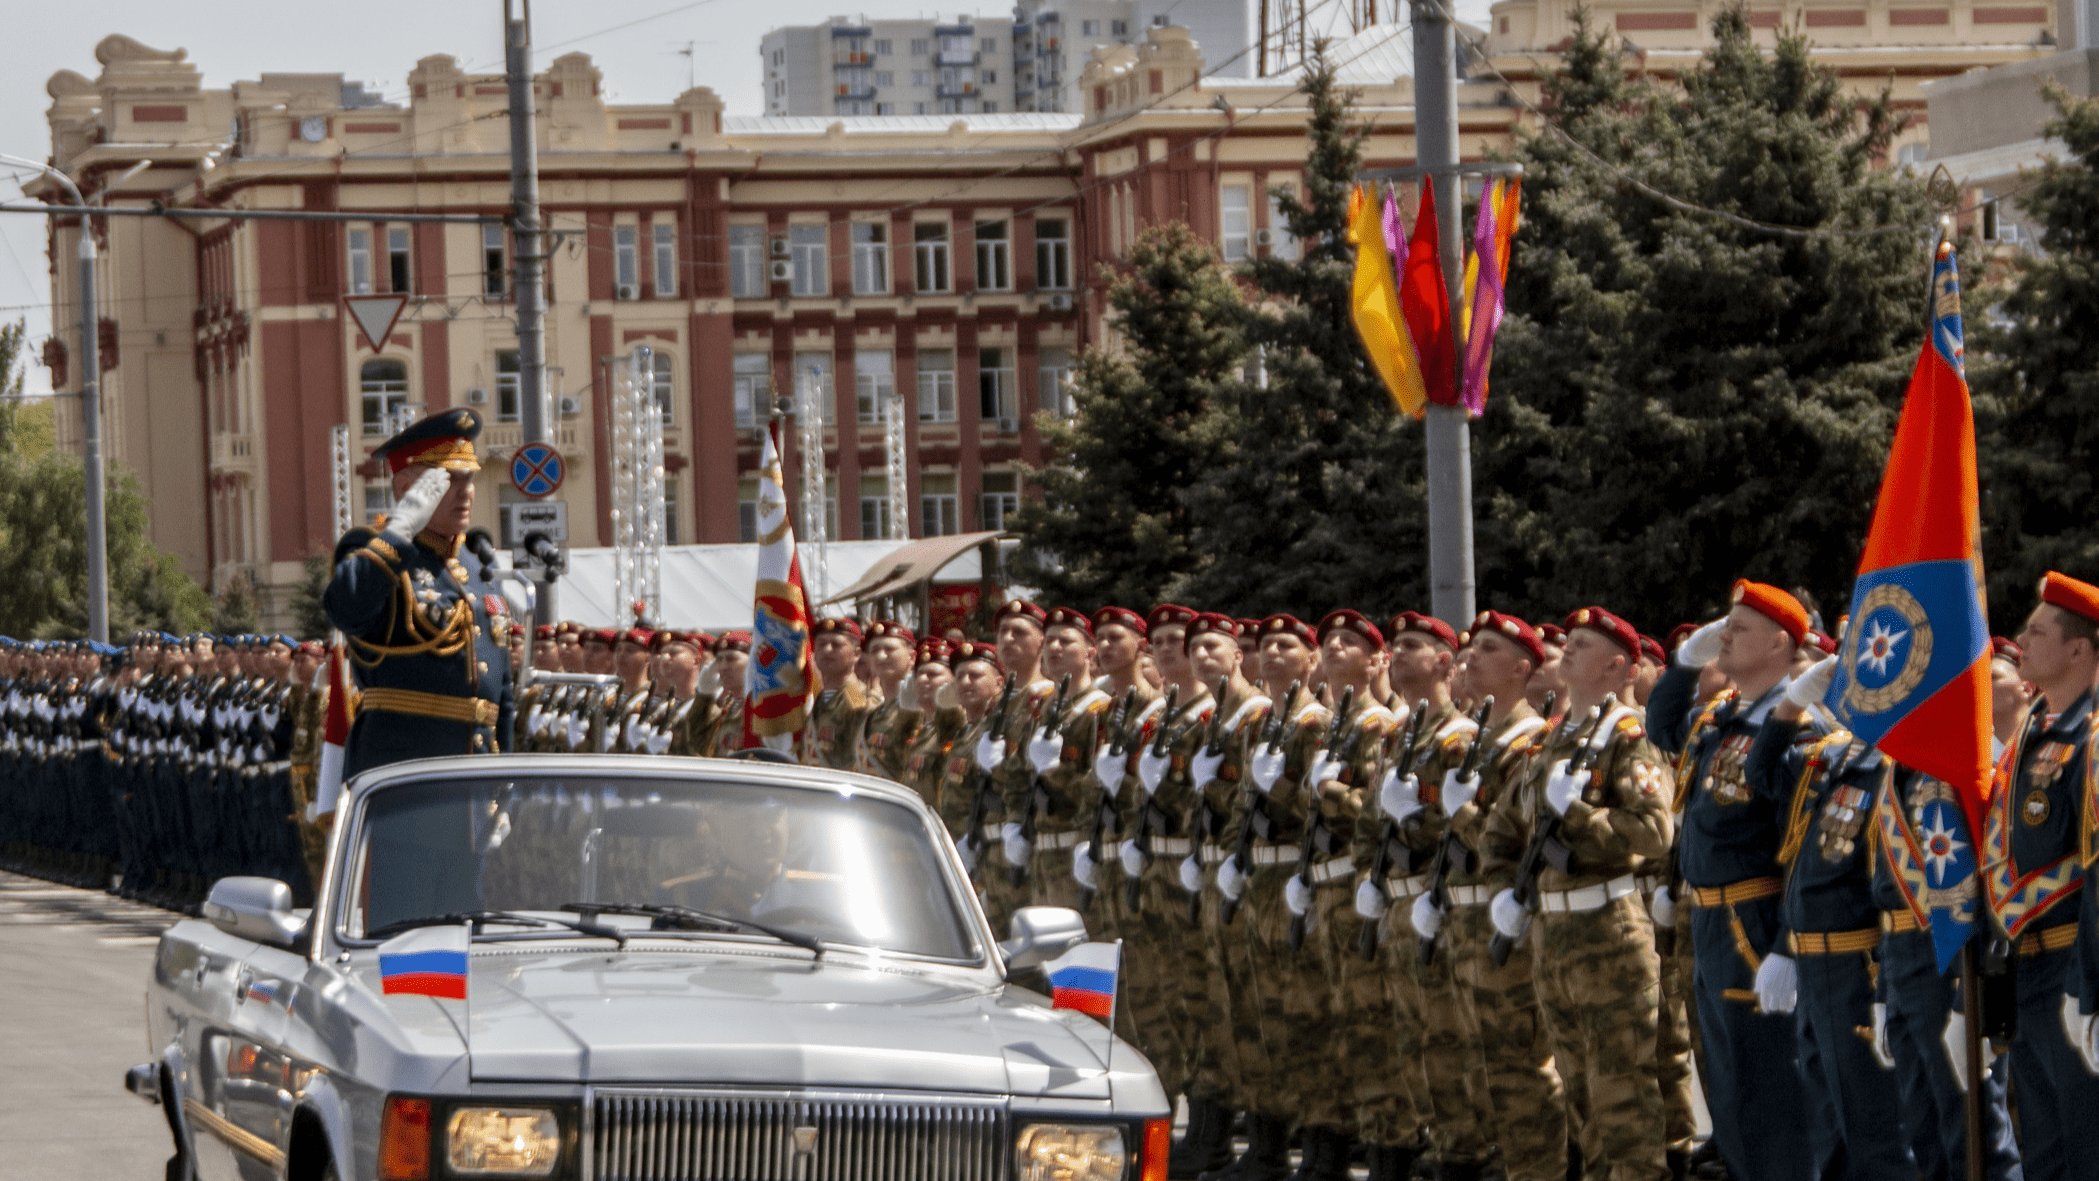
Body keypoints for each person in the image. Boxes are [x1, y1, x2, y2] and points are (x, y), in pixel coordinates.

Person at [1486, 607, 1674, 1181]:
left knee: (1623, 1091)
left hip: (1609, 932)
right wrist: (1503, 893)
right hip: (1552, 934)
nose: (1567, 648)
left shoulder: (1629, 738)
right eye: (1569, 640)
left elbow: (1653, 833)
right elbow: (1502, 828)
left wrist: (1583, 815)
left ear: (1618, 665)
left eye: (1584, 644)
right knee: (1581, 1096)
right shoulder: (1549, 741)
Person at [1646, 580, 1816, 1181]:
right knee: (1728, 1088)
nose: (1725, 634)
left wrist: (1787, 946)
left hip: (1756, 920)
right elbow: (1664, 728)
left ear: (1779, 643)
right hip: (1711, 921)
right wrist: (1686, 663)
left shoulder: (1797, 725)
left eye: (1739, 627)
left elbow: (1804, 848)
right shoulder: (1723, 717)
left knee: (1773, 1087)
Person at [1433, 611, 1562, 1181]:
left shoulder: (1532, 742)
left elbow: (1508, 838)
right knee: (1476, 1058)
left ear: (1522, 668)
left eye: (1486, 649)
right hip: (1465, 917)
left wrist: (1458, 811)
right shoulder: (1477, 740)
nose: (1470, 658)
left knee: (1518, 1062)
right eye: (1470, 648)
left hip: (1505, 919)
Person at [321, 407, 513, 778]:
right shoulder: (375, 550)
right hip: (405, 776)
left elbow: (500, 696)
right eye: (448, 481)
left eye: (468, 479)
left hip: (477, 778)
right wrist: (401, 528)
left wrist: (505, 780)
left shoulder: (475, 567)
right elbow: (344, 608)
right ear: (407, 488)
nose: (465, 492)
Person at [1996, 573, 2099, 1181]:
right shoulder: (2032, 736)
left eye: (2037, 631)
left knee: (2087, 1145)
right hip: (2028, 969)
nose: (2020, 641)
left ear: (2078, 650)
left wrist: (2092, 988)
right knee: (2044, 1149)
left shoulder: (2092, 739)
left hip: (2073, 969)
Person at [804, 618, 874, 770]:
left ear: (856, 654)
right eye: (821, 644)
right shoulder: (820, 701)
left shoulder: (862, 703)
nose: (827, 650)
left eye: (836, 645)